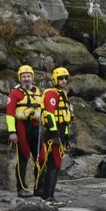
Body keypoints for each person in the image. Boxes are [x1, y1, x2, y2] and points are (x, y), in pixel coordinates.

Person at [35, 66, 73, 201]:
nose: (63, 81)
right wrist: (54, 134)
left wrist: (66, 138)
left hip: (61, 133)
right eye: (60, 78)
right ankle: (47, 194)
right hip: (53, 134)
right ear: (55, 79)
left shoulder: (64, 95)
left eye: (65, 78)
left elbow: (65, 120)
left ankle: (48, 193)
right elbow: (49, 114)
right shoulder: (52, 93)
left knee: (56, 165)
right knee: (53, 164)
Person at [5, 64, 44, 195]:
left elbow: (44, 111)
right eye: (24, 76)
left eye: (28, 76)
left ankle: (39, 187)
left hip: (36, 126)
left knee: (41, 157)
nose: (26, 79)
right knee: (24, 156)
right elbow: (10, 114)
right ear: (20, 78)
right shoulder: (15, 93)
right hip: (21, 126)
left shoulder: (38, 92)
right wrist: (12, 132)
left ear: (32, 77)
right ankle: (21, 188)